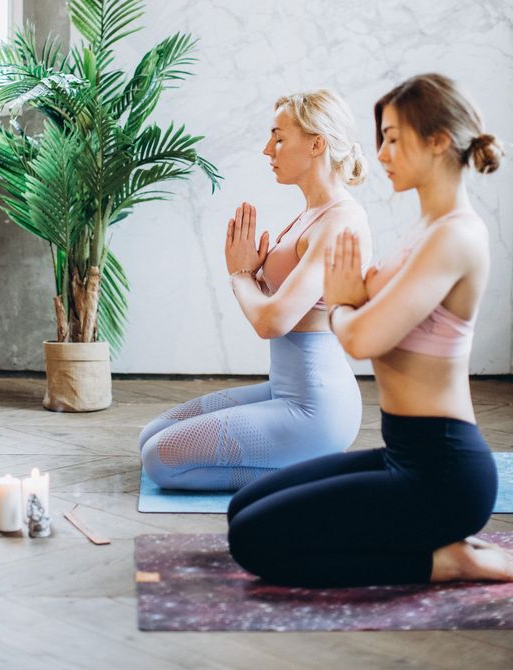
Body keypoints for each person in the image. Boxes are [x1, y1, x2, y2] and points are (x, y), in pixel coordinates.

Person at [228, 73, 513, 586]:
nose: (380, 153)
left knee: (253, 540)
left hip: (443, 472)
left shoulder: (456, 237)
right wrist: (348, 300)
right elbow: (358, 308)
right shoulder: (424, 230)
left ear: (439, 142)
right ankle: (428, 541)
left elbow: (361, 339)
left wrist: (340, 303)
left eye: (394, 139)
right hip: (402, 451)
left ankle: (439, 561)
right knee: (243, 509)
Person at [138, 89, 371, 491]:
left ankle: (318, 469)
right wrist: (257, 274)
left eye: (279, 137)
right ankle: (307, 463)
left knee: (161, 462)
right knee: (149, 437)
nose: (267, 149)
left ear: (317, 143)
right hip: (284, 390)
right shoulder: (311, 213)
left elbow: (272, 321)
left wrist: (241, 276)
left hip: (315, 409)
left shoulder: (340, 222)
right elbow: (281, 300)